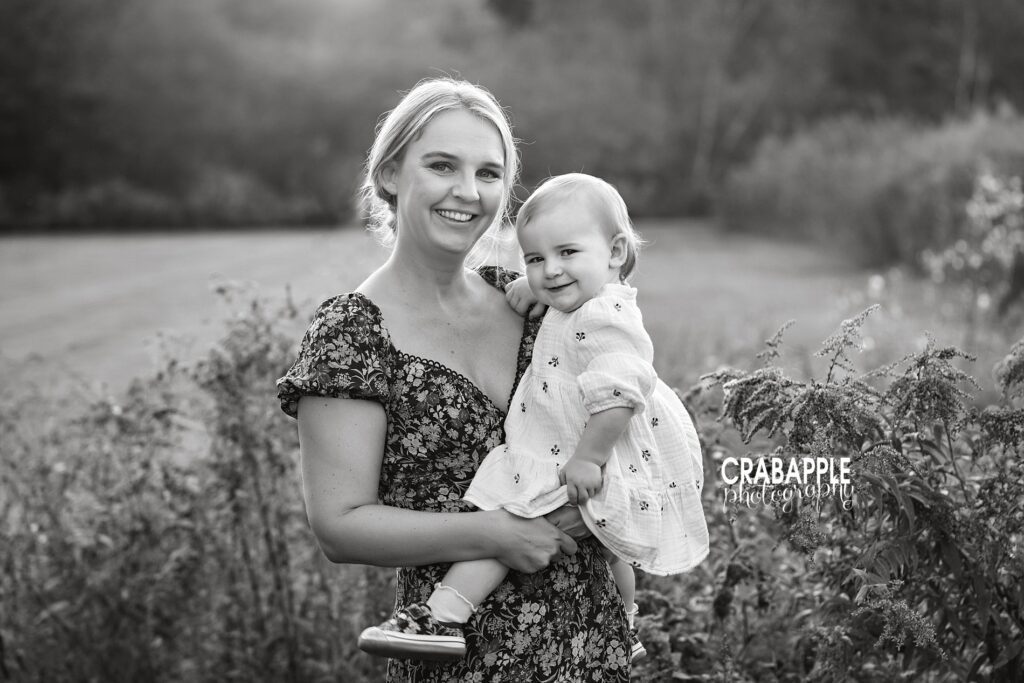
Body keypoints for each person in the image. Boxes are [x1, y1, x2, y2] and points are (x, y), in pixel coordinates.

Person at [276, 79, 631, 681]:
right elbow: (339, 526)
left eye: (489, 173)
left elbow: (623, 374)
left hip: (594, 642)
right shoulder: (353, 333)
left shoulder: (527, 301)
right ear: (390, 175)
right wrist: (496, 533)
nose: (468, 192)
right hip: (458, 655)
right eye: (443, 166)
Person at [359, 173, 710, 663]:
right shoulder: (581, 297)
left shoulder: (606, 316)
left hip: (592, 447)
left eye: (567, 253)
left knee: (513, 515)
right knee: (610, 546)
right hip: (584, 445)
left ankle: (442, 615)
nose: (551, 270)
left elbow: (619, 393)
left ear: (615, 252)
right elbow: (567, 290)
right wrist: (535, 285)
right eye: (535, 258)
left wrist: (588, 459)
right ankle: (626, 620)